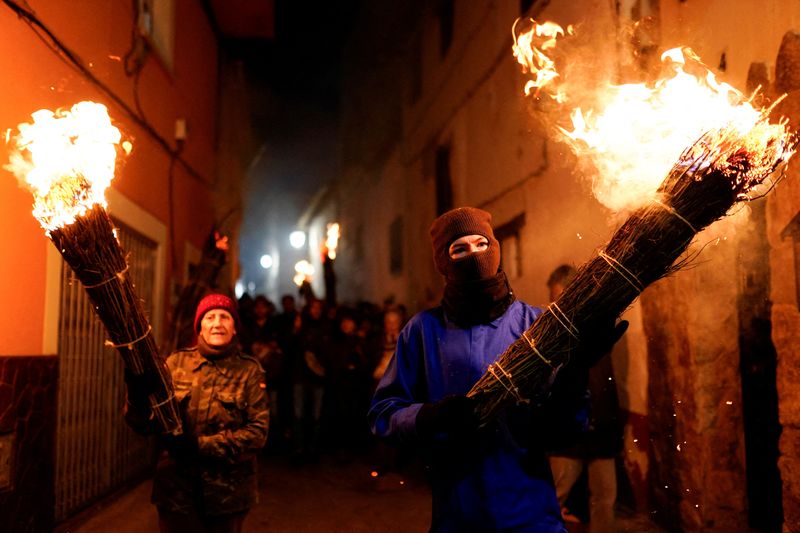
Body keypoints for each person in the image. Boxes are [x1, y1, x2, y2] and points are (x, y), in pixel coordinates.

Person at [368, 207, 626, 532]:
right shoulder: (422, 331)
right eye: (459, 249)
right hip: (458, 516)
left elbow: (563, 431)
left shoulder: (536, 327)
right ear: (443, 262)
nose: (473, 255)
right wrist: (429, 416)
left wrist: (577, 369)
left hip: (531, 516)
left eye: (481, 244)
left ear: (495, 249)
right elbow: (383, 415)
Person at [125, 293, 270, 533]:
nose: (217, 323)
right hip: (176, 492)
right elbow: (144, 425)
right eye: (210, 316)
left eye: (225, 317)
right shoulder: (175, 364)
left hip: (227, 495)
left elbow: (257, 433)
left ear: (234, 328)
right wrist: (135, 395)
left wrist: (199, 445)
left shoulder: (249, 372)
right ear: (200, 326)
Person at [546, 265, 625, 533]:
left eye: (560, 297)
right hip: (567, 433)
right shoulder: (550, 334)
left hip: (601, 430)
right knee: (552, 499)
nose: (555, 304)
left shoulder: (599, 324)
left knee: (605, 500)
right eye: (553, 298)